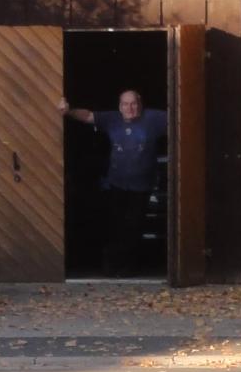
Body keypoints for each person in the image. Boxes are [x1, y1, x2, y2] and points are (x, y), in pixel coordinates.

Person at [58, 89, 169, 276]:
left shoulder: (154, 119)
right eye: (125, 104)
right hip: (117, 184)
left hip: (141, 186)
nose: (130, 108)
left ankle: (128, 267)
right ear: (120, 106)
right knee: (115, 225)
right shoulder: (112, 119)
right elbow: (88, 116)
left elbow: (180, 119)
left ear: (140, 104)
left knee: (134, 226)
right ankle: (111, 266)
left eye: (133, 103)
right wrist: (68, 111)